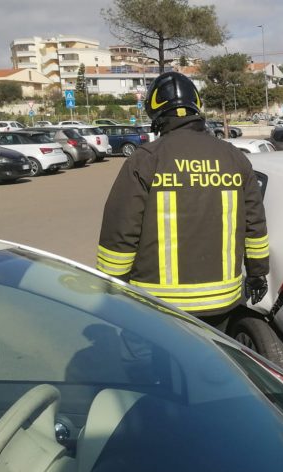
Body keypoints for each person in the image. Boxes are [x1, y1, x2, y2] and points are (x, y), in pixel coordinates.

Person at [96, 72, 269, 329]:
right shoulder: (234, 158)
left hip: (158, 306)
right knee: (210, 366)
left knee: (158, 369)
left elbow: (120, 232)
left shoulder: (145, 160)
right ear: (196, 108)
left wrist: (110, 287)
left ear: (156, 114)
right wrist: (257, 273)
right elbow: (255, 225)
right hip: (220, 303)